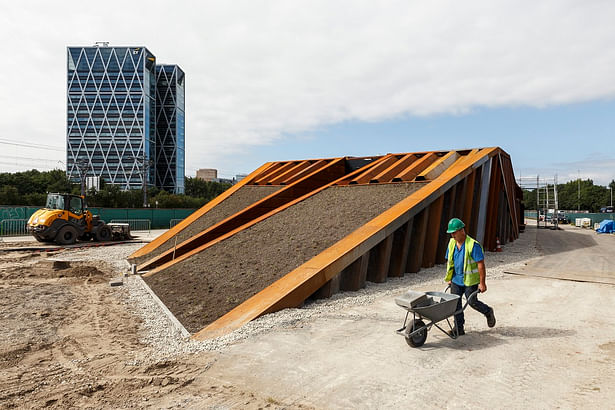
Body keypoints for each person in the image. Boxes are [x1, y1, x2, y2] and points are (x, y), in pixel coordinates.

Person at [444, 218, 496, 336]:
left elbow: (480, 264)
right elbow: (450, 261)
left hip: (470, 281)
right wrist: (450, 278)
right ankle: (459, 329)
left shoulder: (473, 245)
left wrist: (482, 283)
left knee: (472, 301)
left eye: (454, 232)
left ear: (462, 230)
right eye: (451, 233)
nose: (452, 235)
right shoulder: (452, 243)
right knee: (455, 304)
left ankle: (488, 311)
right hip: (456, 280)